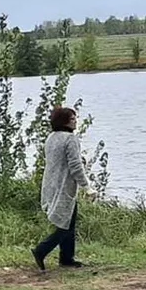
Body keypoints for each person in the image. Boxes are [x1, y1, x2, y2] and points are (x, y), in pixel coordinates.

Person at [31, 106, 96, 272]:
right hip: (63, 186)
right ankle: (41, 250)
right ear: (64, 121)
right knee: (65, 225)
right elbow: (75, 165)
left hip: (50, 183)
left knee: (69, 220)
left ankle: (67, 258)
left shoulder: (51, 137)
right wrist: (86, 186)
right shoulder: (70, 139)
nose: (76, 122)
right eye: (73, 119)